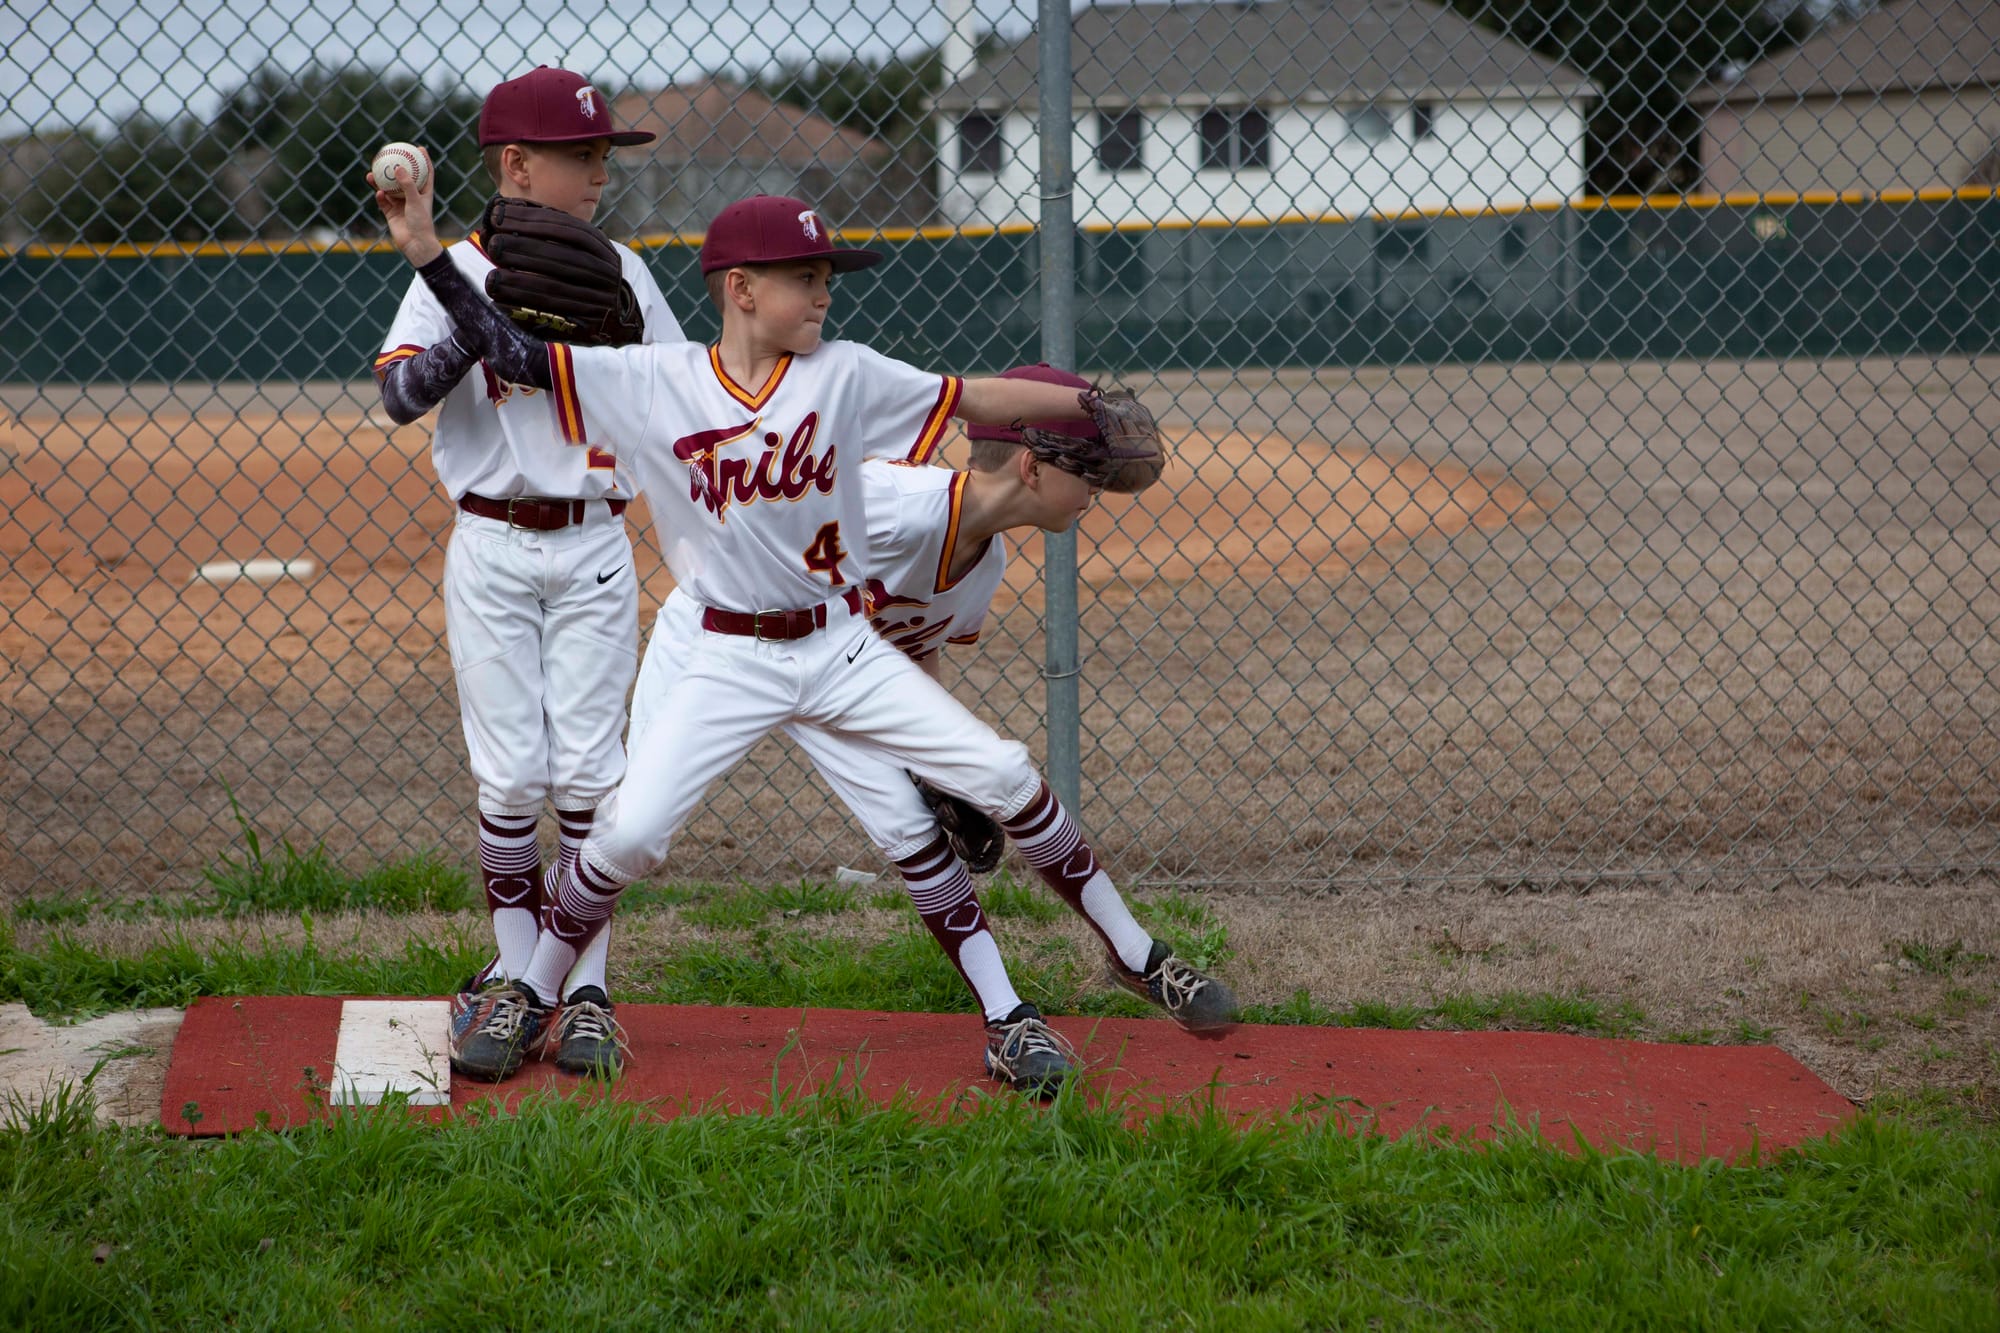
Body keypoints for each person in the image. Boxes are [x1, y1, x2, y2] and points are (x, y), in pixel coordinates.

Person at [372, 177, 1190, 1096]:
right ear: (742, 289)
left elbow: (968, 398)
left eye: (825, 274)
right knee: (631, 832)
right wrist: (427, 253)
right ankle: (528, 987)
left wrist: (1076, 409)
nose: (825, 291)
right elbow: (512, 352)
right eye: (805, 275)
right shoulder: (653, 382)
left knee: (1001, 770)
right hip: (722, 649)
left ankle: (1095, 974)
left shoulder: (846, 373)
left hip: (838, 645)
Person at [628, 365, 1239, 1091]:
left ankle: (1045, 1002)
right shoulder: (892, 502)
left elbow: (914, 647)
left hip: (832, 666)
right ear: (1030, 466)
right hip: (718, 635)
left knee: (915, 826)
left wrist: (929, 763)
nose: (1098, 492)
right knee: (626, 830)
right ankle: (534, 982)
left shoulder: (984, 564)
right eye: (1089, 473)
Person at [368, 65, 684, 1080]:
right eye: (581, 156)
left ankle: (580, 991)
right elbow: (401, 396)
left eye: (602, 156)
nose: (599, 173)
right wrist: (466, 300)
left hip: (592, 542)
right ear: (516, 164)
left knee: (593, 778)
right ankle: (515, 987)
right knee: (510, 777)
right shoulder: (451, 266)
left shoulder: (622, 272)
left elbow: (677, 401)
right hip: (492, 546)